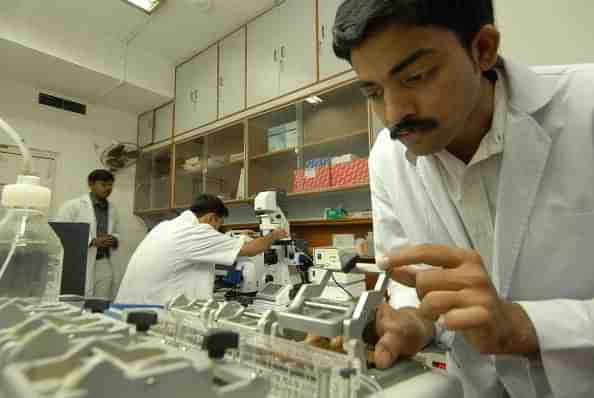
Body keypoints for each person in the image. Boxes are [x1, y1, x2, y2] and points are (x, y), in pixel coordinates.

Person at [332, 1, 594, 397]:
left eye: (416, 76)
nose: (393, 114)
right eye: (373, 92)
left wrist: (525, 324)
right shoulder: (387, 158)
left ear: (483, 49)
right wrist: (417, 322)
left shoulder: (585, 110)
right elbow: (411, 280)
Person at [115, 194, 288, 305]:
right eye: (219, 225)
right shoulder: (196, 232)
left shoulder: (166, 226)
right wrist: (274, 235)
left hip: (129, 305)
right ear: (212, 217)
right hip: (152, 313)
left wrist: (232, 234)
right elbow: (250, 249)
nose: (217, 230)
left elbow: (198, 245)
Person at [57, 169, 119, 298]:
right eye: (104, 184)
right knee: (78, 301)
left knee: (102, 301)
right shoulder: (73, 205)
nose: (108, 188)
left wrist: (114, 239)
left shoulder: (112, 209)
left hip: (103, 261)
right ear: (91, 184)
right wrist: (91, 241)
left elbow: (116, 231)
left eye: (110, 185)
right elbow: (60, 231)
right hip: (80, 262)